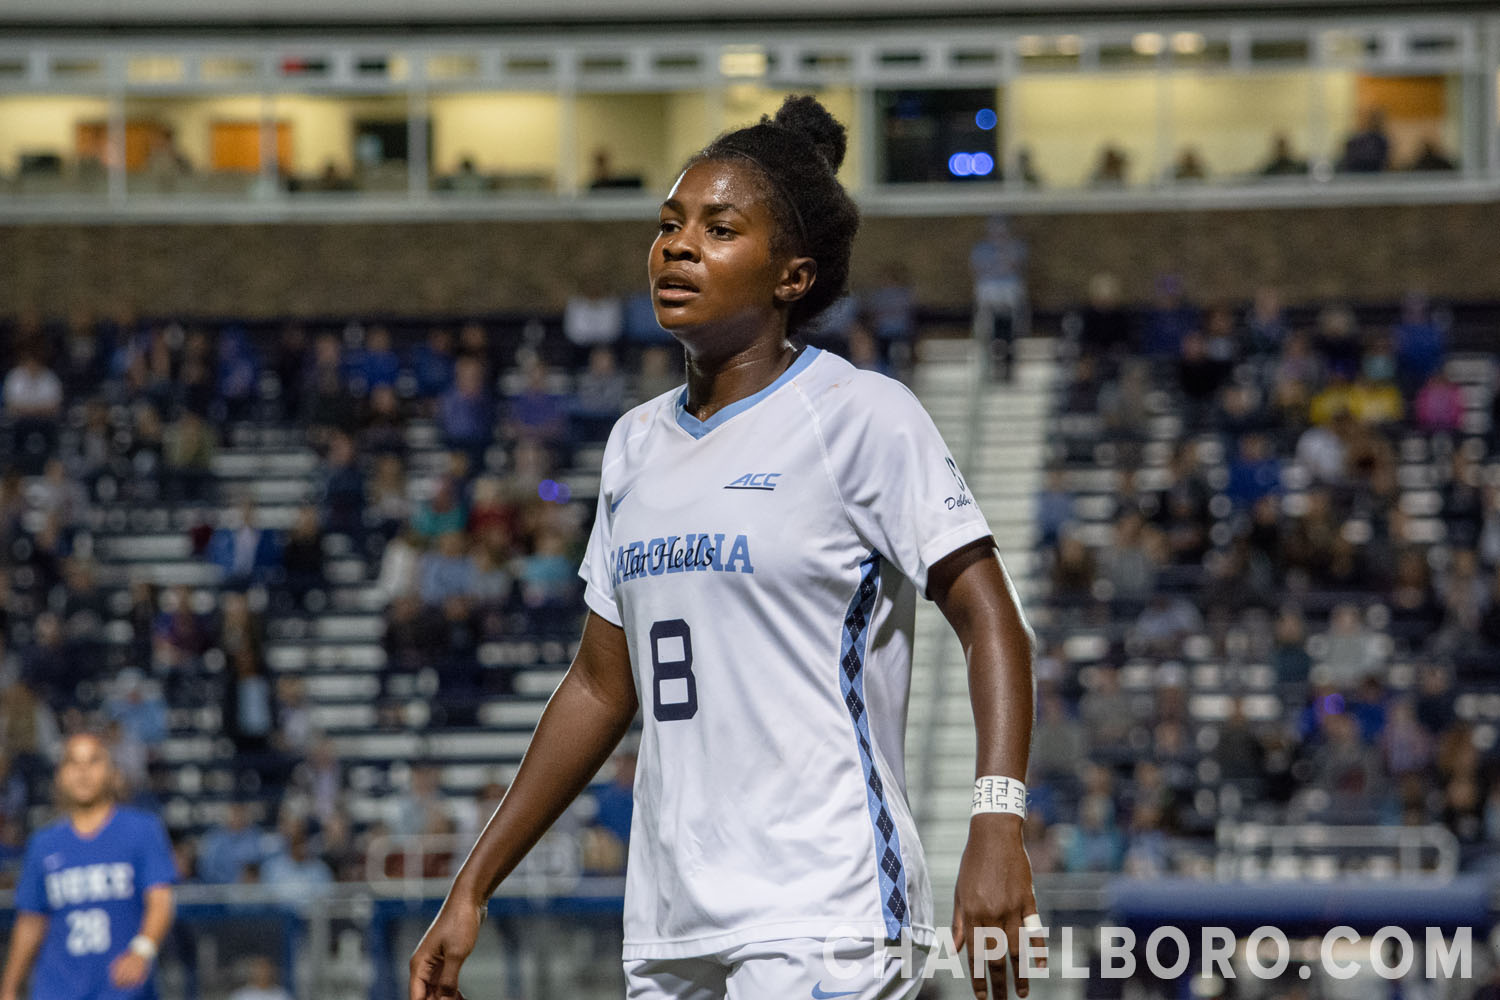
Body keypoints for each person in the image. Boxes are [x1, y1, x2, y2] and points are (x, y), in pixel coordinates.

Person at [409, 94, 1038, 1000]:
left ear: (792, 277)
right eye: (669, 224)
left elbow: (992, 621)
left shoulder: (860, 416)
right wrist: (471, 886)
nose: (677, 244)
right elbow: (597, 685)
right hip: (671, 923)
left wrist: (996, 821)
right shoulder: (633, 444)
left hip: (825, 908)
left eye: (718, 227)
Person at [1, 733, 175, 1000]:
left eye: (93, 761)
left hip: (123, 990)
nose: (83, 772)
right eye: (73, 762)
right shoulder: (44, 844)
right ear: (60, 775)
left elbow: (161, 900)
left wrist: (142, 950)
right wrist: (10, 986)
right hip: (57, 990)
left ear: (111, 772)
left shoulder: (142, 830)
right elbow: (31, 921)